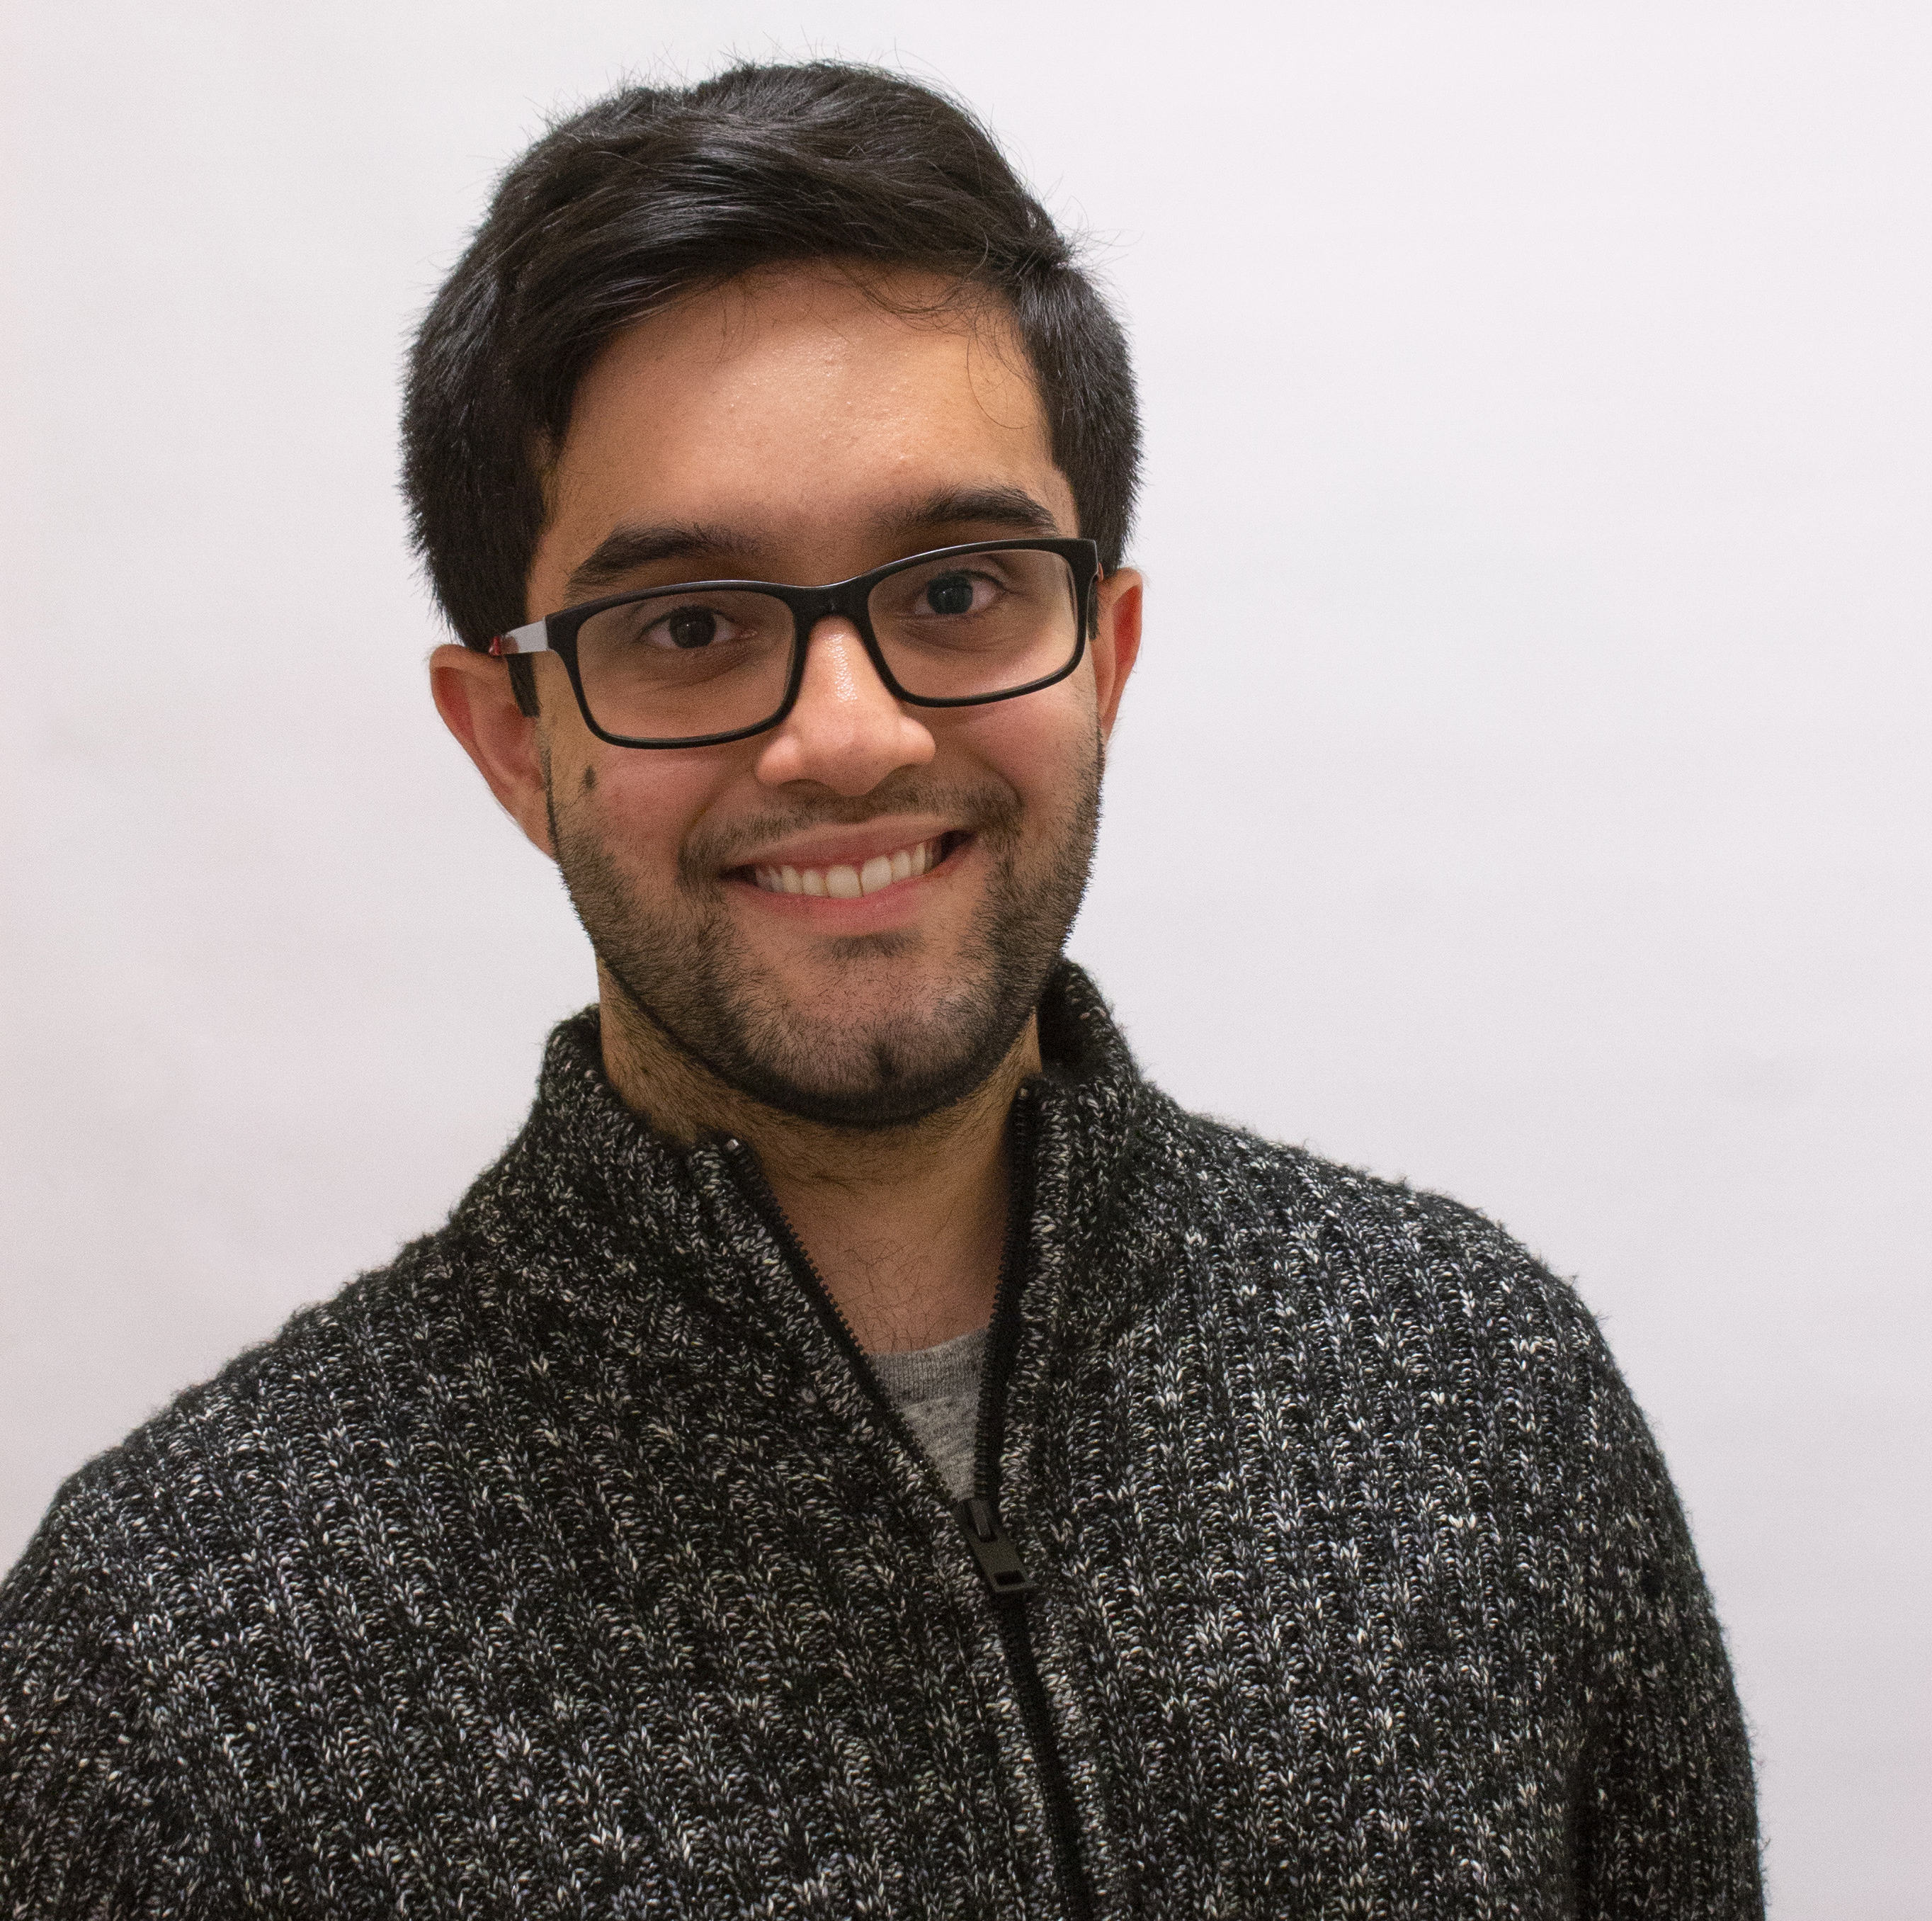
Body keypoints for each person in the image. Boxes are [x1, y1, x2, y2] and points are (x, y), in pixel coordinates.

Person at [0, 60, 1761, 1917]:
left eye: (957, 592)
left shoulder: (1480, 1401)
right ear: (513, 737)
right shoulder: (183, 1649)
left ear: (1106, 650)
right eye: (688, 627)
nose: (848, 735)